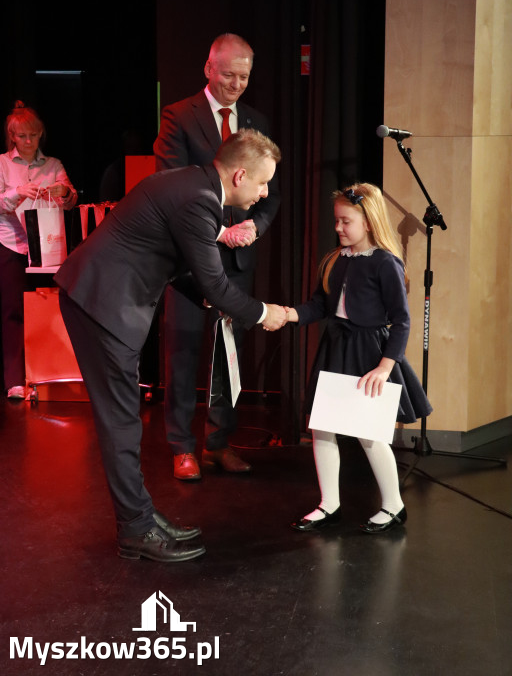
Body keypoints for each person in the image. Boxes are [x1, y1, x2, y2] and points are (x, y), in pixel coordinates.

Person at [55, 128, 286, 562]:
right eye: (262, 182)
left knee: (124, 421)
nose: (264, 193)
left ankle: (140, 516)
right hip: (100, 302)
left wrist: (208, 300)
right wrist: (262, 313)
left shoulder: (192, 185)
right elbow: (216, 284)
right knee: (121, 422)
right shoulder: (199, 199)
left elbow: (175, 261)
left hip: (103, 297)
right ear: (240, 175)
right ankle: (136, 528)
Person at [154, 33, 280, 481]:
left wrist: (254, 228)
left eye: (244, 77)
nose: (236, 84)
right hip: (190, 259)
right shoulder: (178, 116)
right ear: (209, 68)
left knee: (228, 356)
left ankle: (218, 442)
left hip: (238, 260)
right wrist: (218, 231)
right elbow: (172, 183)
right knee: (183, 351)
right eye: (229, 75)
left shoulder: (257, 120)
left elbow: (270, 194)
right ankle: (181, 447)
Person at [285, 184, 432, 534]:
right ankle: (329, 504)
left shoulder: (385, 263)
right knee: (322, 427)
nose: (337, 227)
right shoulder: (335, 260)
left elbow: (402, 321)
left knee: (369, 434)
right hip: (336, 349)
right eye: (336, 220)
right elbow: (320, 305)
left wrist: (384, 366)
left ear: (368, 222)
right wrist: (289, 314)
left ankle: (394, 506)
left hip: (369, 353)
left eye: (345, 221)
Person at [0, 101, 77, 400]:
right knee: (13, 311)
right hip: (11, 242)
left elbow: (70, 199)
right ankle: (15, 380)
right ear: (12, 137)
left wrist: (64, 192)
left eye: (33, 135)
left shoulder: (53, 165)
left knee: (47, 306)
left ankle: (45, 375)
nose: (29, 141)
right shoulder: (3, 164)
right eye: (22, 136)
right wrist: (16, 193)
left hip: (46, 248)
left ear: (40, 134)